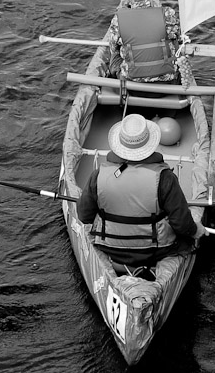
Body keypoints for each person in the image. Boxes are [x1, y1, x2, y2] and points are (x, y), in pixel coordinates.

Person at [77, 113, 206, 273]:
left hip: (110, 247)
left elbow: (84, 216)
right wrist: (196, 230)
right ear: (150, 144)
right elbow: (181, 224)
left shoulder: (98, 175)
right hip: (156, 251)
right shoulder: (165, 178)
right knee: (186, 240)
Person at [107, 0, 181, 82]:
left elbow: (113, 47)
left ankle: (113, 79)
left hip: (133, 82)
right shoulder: (168, 14)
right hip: (167, 80)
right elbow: (178, 38)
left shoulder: (118, 19)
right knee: (173, 42)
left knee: (115, 55)